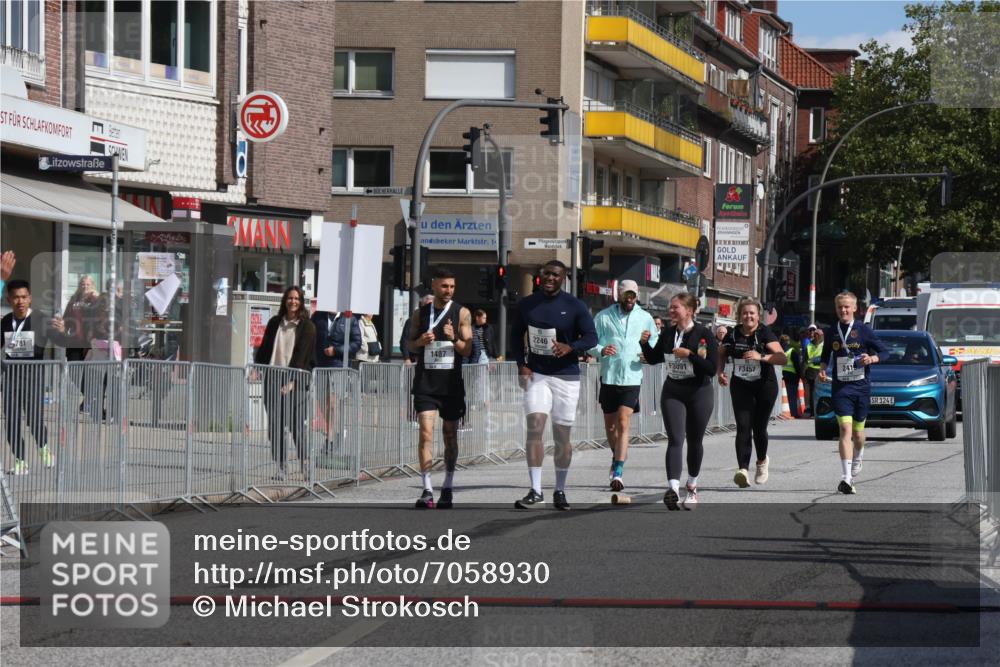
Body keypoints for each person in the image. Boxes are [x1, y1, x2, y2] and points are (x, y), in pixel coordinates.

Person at [510, 260, 597, 510]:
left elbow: (592, 337)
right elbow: (515, 335)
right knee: (534, 427)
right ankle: (536, 490)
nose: (550, 278)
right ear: (540, 276)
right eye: (546, 273)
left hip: (566, 376)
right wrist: (521, 364)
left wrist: (572, 347)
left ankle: (560, 489)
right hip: (537, 373)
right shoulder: (527, 304)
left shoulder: (575, 305)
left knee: (561, 435)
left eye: (555, 275)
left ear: (564, 278)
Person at [640, 292, 717, 510]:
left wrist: (690, 355)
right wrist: (644, 344)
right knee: (675, 438)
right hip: (673, 390)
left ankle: (691, 486)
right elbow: (655, 358)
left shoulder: (703, 335)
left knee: (694, 441)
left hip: (699, 392)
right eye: (671, 307)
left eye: (676, 307)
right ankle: (673, 489)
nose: (671, 311)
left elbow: (711, 368)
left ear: (689, 310)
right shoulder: (668, 333)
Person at [407, 268, 473, 509]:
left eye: (452, 287)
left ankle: (447, 485)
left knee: (449, 436)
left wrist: (453, 337)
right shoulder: (420, 314)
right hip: (426, 383)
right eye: (444, 286)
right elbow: (411, 346)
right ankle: (426, 489)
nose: (449, 291)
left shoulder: (462, 313)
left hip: (451, 385)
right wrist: (420, 342)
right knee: (425, 433)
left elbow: (467, 350)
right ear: (434, 286)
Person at [589, 279, 657, 492]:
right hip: (609, 376)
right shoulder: (603, 316)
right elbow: (590, 341)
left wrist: (648, 354)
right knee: (610, 427)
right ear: (619, 295)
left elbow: (655, 343)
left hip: (632, 377)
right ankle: (616, 455)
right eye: (626, 295)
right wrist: (600, 349)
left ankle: (618, 471)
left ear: (637, 297)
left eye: (633, 296)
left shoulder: (645, 318)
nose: (630, 299)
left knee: (623, 421)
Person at [819, 292, 887, 494]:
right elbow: (825, 355)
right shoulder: (831, 331)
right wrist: (822, 369)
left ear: (855, 308)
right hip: (841, 388)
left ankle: (858, 455)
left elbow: (884, 352)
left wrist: (872, 359)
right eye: (840, 307)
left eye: (847, 307)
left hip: (861, 387)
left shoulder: (864, 330)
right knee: (845, 431)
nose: (843, 310)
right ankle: (846, 478)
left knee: (858, 434)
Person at [2, 279, 68, 474]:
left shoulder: (40, 319)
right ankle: (21, 461)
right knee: (11, 421)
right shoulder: (6, 321)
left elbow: (60, 341)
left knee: (33, 419)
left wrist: (63, 331)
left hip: (33, 379)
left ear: (30, 298)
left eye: (23, 297)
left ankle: (44, 449)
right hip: (12, 378)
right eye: (15, 298)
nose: (20, 301)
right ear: (9, 300)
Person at [718, 297, 786, 488]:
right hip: (741, 384)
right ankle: (742, 470)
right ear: (740, 315)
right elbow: (721, 352)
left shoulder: (765, 333)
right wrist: (720, 372)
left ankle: (762, 461)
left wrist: (762, 356)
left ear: (758, 316)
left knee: (759, 428)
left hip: (765, 385)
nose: (748, 316)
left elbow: (782, 358)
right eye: (745, 313)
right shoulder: (732, 335)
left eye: (752, 313)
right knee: (743, 426)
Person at [254, 286, 316, 480]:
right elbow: (264, 349)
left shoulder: (307, 326)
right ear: (285, 300)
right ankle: (281, 466)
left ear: (301, 301)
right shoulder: (275, 323)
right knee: (275, 425)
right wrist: (257, 368)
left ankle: (305, 463)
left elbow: (302, 356)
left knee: (296, 425)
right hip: (273, 376)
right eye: (290, 298)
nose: (293, 302)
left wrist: (293, 381)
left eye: (296, 298)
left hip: (295, 379)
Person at [62, 275, 99, 362]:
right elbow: (66, 318)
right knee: (73, 370)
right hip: (75, 340)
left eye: (88, 284)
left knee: (89, 372)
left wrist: (95, 298)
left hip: (90, 342)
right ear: (79, 286)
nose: (85, 287)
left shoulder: (96, 300)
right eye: (83, 284)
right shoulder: (74, 299)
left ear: (92, 286)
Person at [400, 295, 434, 364]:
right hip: (416, 358)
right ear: (422, 306)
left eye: (432, 305)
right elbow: (404, 340)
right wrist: (407, 358)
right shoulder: (412, 320)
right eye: (427, 305)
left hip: (432, 358)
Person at [802, 325, 824, 417]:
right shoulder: (811, 345)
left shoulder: (821, 345)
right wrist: (803, 372)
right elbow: (805, 359)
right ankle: (813, 412)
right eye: (816, 335)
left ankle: (816, 411)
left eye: (818, 335)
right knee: (813, 392)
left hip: (818, 370)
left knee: (816, 392)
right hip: (812, 371)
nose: (817, 337)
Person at [779, 334, 802, 419]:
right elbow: (797, 365)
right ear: (788, 342)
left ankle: (782, 412)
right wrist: (800, 375)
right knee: (792, 394)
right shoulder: (792, 351)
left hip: (781, 375)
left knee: (782, 395)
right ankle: (793, 413)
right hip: (792, 375)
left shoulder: (778, 351)